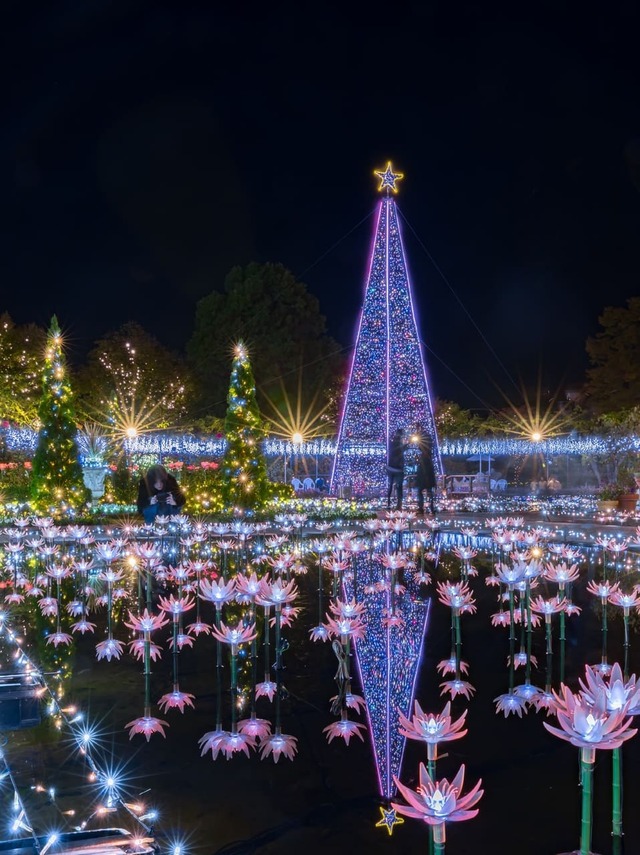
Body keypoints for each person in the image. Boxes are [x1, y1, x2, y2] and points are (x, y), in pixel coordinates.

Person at [415, 430, 437, 515]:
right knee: (429, 492)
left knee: (421, 491)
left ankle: (422, 508)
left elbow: (423, 465)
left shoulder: (424, 454)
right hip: (428, 475)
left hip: (424, 475)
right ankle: (431, 508)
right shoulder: (428, 453)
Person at [386, 427, 406, 510]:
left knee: (390, 485)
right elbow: (401, 450)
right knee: (399, 486)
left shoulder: (392, 442)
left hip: (390, 467)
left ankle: (388, 503)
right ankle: (399, 504)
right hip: (398, 468)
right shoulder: (400, 443)